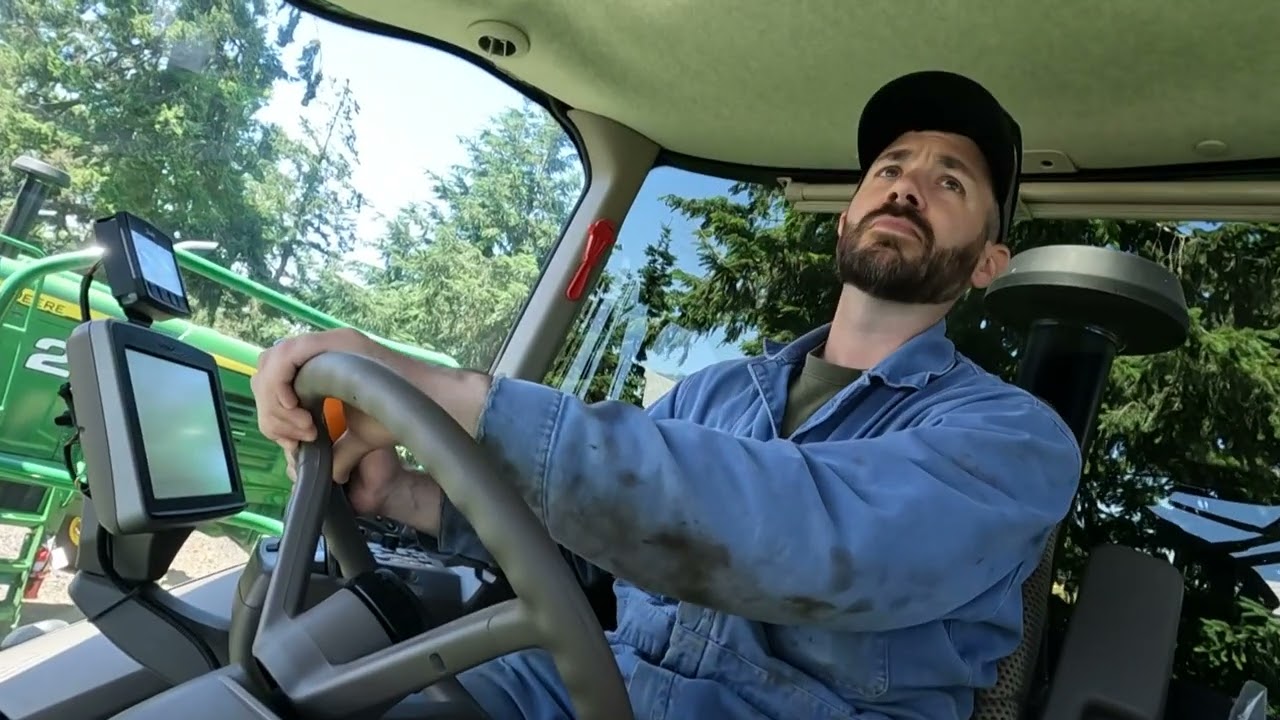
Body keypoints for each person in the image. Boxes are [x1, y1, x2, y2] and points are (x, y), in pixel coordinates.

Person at [252, 70, 1083, 720]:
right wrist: (403, 492)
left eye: (951, 184)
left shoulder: (1014, 441)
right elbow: (590, 539)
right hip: (583, 689)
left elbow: (817, 538)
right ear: (844, 219)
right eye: (890, 168)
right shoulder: (719, 393)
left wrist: (452, 393)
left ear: (986, 265)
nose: (906, 186)